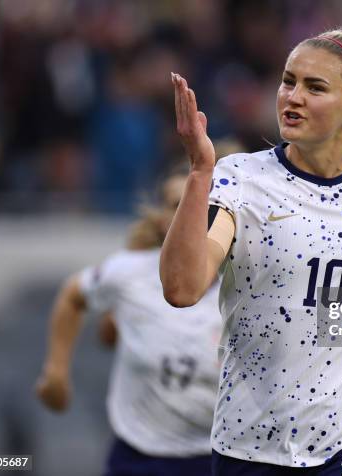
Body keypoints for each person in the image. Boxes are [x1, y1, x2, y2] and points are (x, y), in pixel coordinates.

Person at [161, 28, 342, 475]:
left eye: (315, 87)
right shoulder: (241, 181)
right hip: (252, 439)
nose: (293, 96)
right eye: (289, 81)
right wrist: (199, 172)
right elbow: (182, 288)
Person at [35, 172, 222, 476]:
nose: (192, 212)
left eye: (205, 204)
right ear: (161, 219)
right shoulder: (128, 274)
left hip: (217, 458)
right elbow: (73, 295)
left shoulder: (247, 285)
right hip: (139, 456)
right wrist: (56, 371)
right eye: (178, 204)